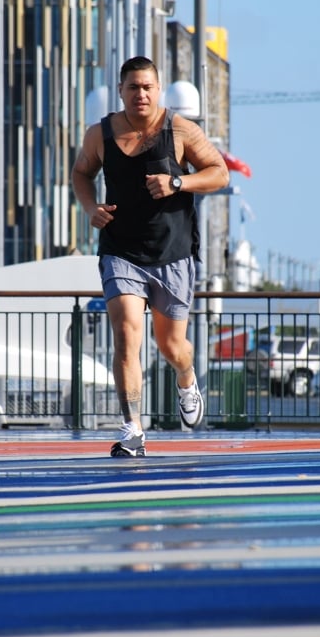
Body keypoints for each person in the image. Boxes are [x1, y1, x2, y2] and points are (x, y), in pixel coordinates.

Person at [72, 56, 230, 457]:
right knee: (126, 334)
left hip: (173, 253)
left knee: (171, 346)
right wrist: (91, 208)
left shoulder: (179, 129)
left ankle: (186, 377)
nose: (140, 94)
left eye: (147, 87)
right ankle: (132, 430)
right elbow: (81, 173)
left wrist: (178, 181)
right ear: (121, 91)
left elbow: (219, 172)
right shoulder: (100, 133)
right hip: (121, 251)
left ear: (158, 90)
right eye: (132, 87)